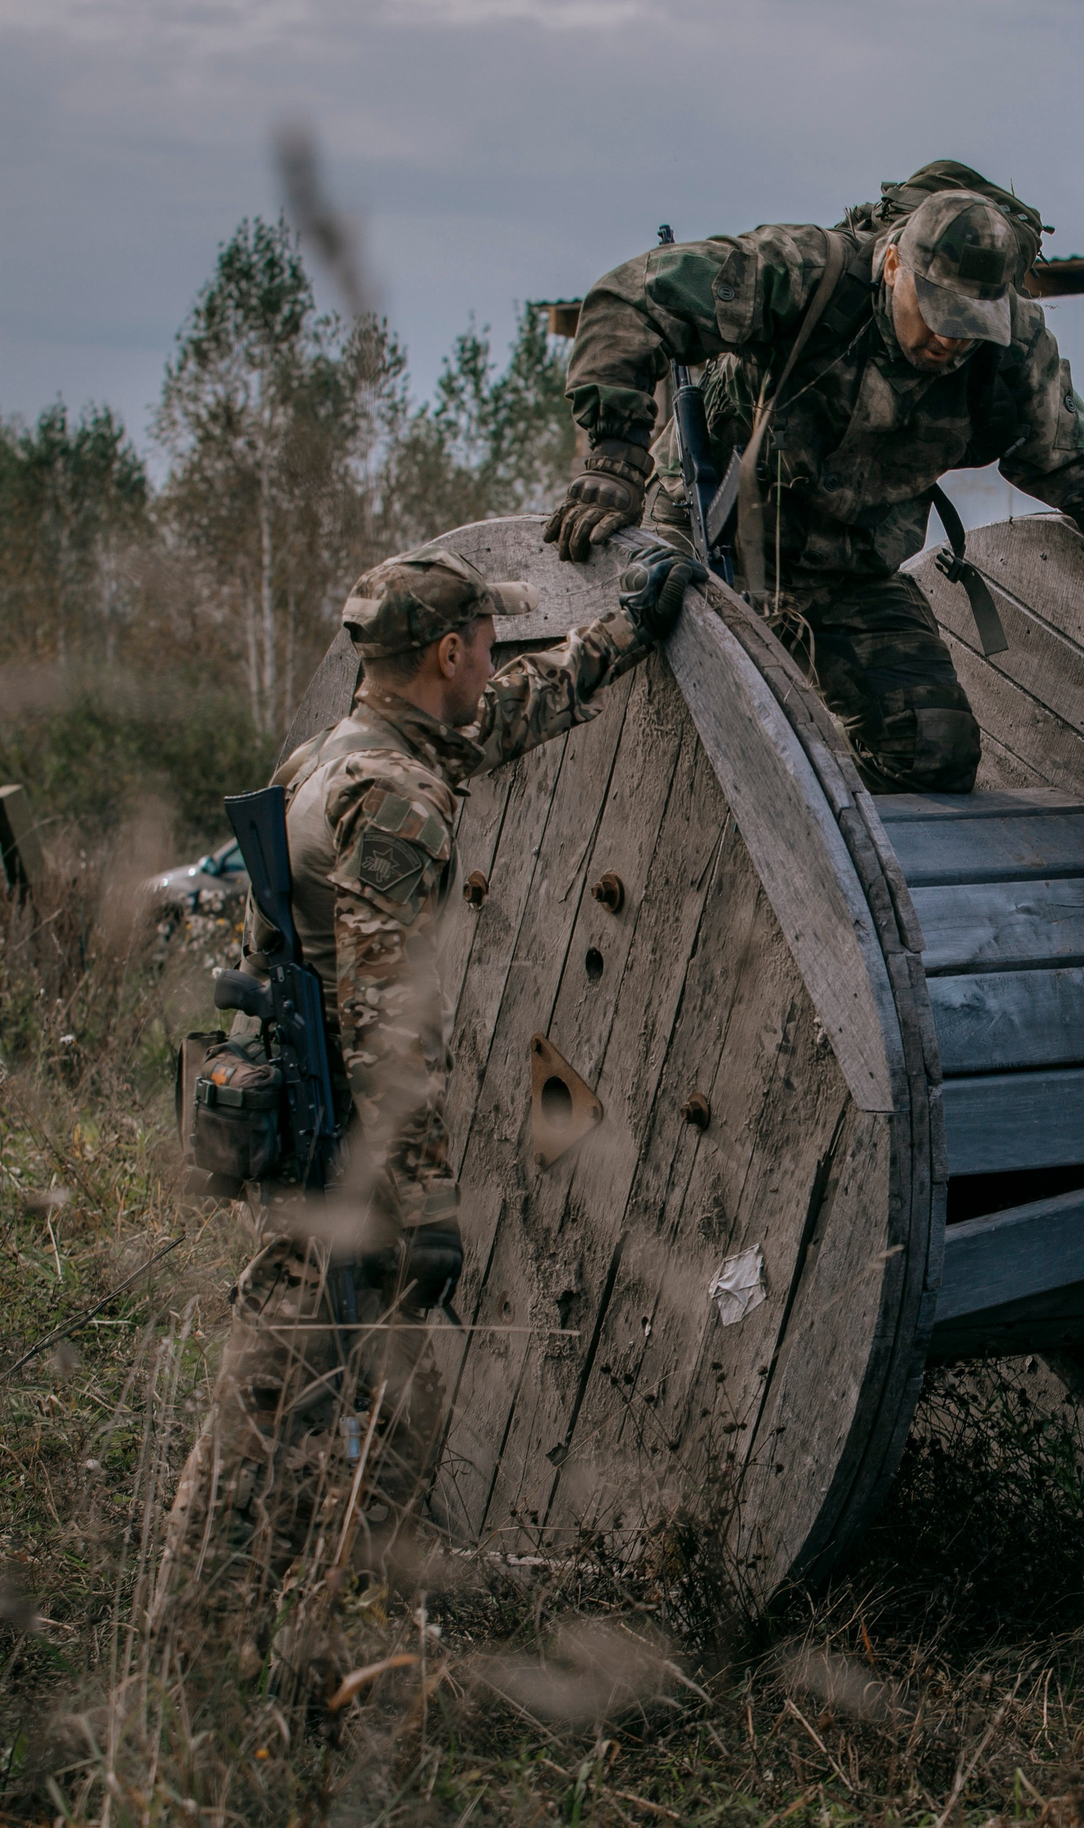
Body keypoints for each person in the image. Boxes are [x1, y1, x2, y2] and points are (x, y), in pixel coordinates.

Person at [159, 543, 705, 1681]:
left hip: (307, 1141)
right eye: (487, 642)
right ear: (448, 651)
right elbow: (382, 1021)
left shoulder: (335, 755)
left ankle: (229, 1651)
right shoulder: (398, 800)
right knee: (350, 1426)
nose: (494, 660)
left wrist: (617, 637)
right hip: (344, 1163)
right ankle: (289, 1663)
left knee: (285, 1409)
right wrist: (419, 1201)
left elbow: (499, 720)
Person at [545, 161, 1084, 794]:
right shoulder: (802, 272)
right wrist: (614, 456)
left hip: (848, 571)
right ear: (890, 265)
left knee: (935, 753)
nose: (951, 339)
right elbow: (628, 301)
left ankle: (818, 827)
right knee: (675, 748)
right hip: (705, 538)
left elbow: (1071, 456)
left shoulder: (1010, 350)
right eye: (938, 314)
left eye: (972, 323)